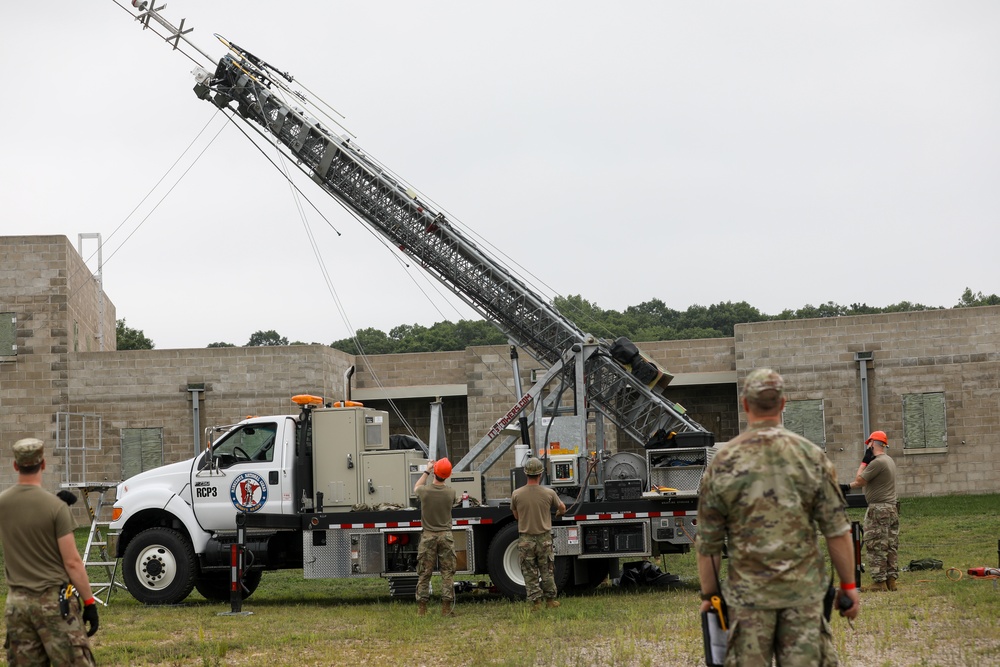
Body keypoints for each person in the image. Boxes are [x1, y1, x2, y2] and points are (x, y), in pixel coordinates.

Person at [696, 368, 859, 667]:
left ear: (745, 404)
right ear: (783, 403)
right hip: (803, 597)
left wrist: (710, 595)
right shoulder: (811, 456)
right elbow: (837, 530)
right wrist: (848, 586)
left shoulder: (722, 461)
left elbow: (708, 542)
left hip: (747, 601)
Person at [0, 438, 99, 665]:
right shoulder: (56, 507)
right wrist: (90, 602)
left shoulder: (3, 503)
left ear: (16, 466)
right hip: (53, 602)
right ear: (43, 464)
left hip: (17, 604)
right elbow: (73, 561)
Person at [510, 457, 566, 611]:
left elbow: (516, 516)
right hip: (544, 538)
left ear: (525, 474)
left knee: (529, 572)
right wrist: (557, 514)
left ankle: (536, 603)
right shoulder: (549, 493)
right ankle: (550, 601)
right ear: (540, 474)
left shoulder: (516, 494)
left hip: (526, 538)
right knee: (547, 570)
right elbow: (562, 508)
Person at [847, 430, 899, 592]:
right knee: (890, 544)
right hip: (891, 507)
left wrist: (863, 462)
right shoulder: (888, 460)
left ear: (871, 444)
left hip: (878, 509)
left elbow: (859, 480)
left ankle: (879, 582)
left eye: (868, 444)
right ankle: (891, 580)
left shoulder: (877, 462)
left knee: (875, 544)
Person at [413, 458, 458, 616]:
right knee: (447, 573)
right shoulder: (451, 493)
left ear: (435, 472)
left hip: (428, 536)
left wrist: (427, 470)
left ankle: (422, 609)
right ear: (448, 475)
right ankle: (446, 609)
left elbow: (416, 487)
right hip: (445, 536)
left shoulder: (424, 492)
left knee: (425, 573)